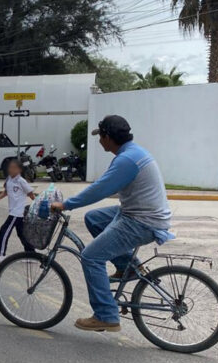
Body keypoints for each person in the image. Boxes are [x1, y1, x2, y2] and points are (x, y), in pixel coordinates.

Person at [50, 115, 172, 332]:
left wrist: (66, 204)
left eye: (101, 136)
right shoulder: (132, 153)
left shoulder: (127, 160)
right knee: (93, 218)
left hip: (142, 221)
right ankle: (128, 267)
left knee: (90, 256)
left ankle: (106, 316)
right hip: (138, 213)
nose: (99, 141)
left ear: (108, 137)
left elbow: (100, 189)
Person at [0, 159, 36, 263]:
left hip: (17, 212)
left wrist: (38, 204)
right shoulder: (9, 179)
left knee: (4, 230)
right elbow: (6, 192)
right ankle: (31, 255)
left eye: (14, 168)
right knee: (22, 234)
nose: (11, 169)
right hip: (15, 212)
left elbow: (31, 194)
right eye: (10, 167)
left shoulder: (21, 181)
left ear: (19, 170)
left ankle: (1, 254)